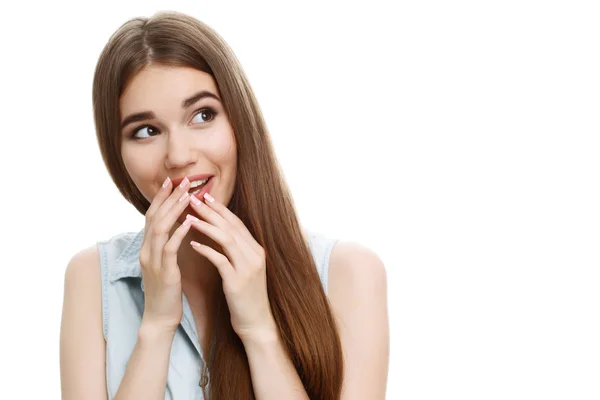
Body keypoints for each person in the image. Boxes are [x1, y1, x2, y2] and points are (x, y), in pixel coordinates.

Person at [59, 10, 389, 400]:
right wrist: (157, 325)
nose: (179, 156)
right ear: (118, 154)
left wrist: (259, 331)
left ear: (239, 120)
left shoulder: (347, 273)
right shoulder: (95, 278)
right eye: (146, 131)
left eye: (203, 115)